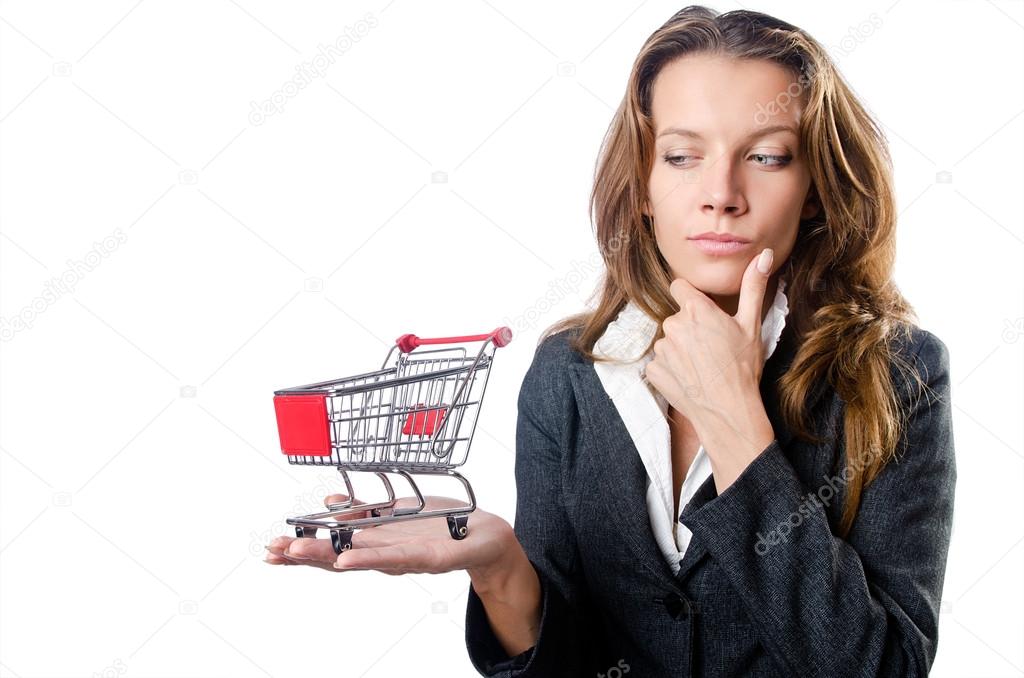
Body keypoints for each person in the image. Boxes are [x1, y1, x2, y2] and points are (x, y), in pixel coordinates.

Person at [265, 6, 956, 676]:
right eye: (683, 155)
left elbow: (884, 665)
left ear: (813, 189)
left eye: (768, 157)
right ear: (646, 186)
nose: (721, 193)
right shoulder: (568, 374)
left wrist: (737, 426)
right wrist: (500, 570)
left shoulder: (897, 373)